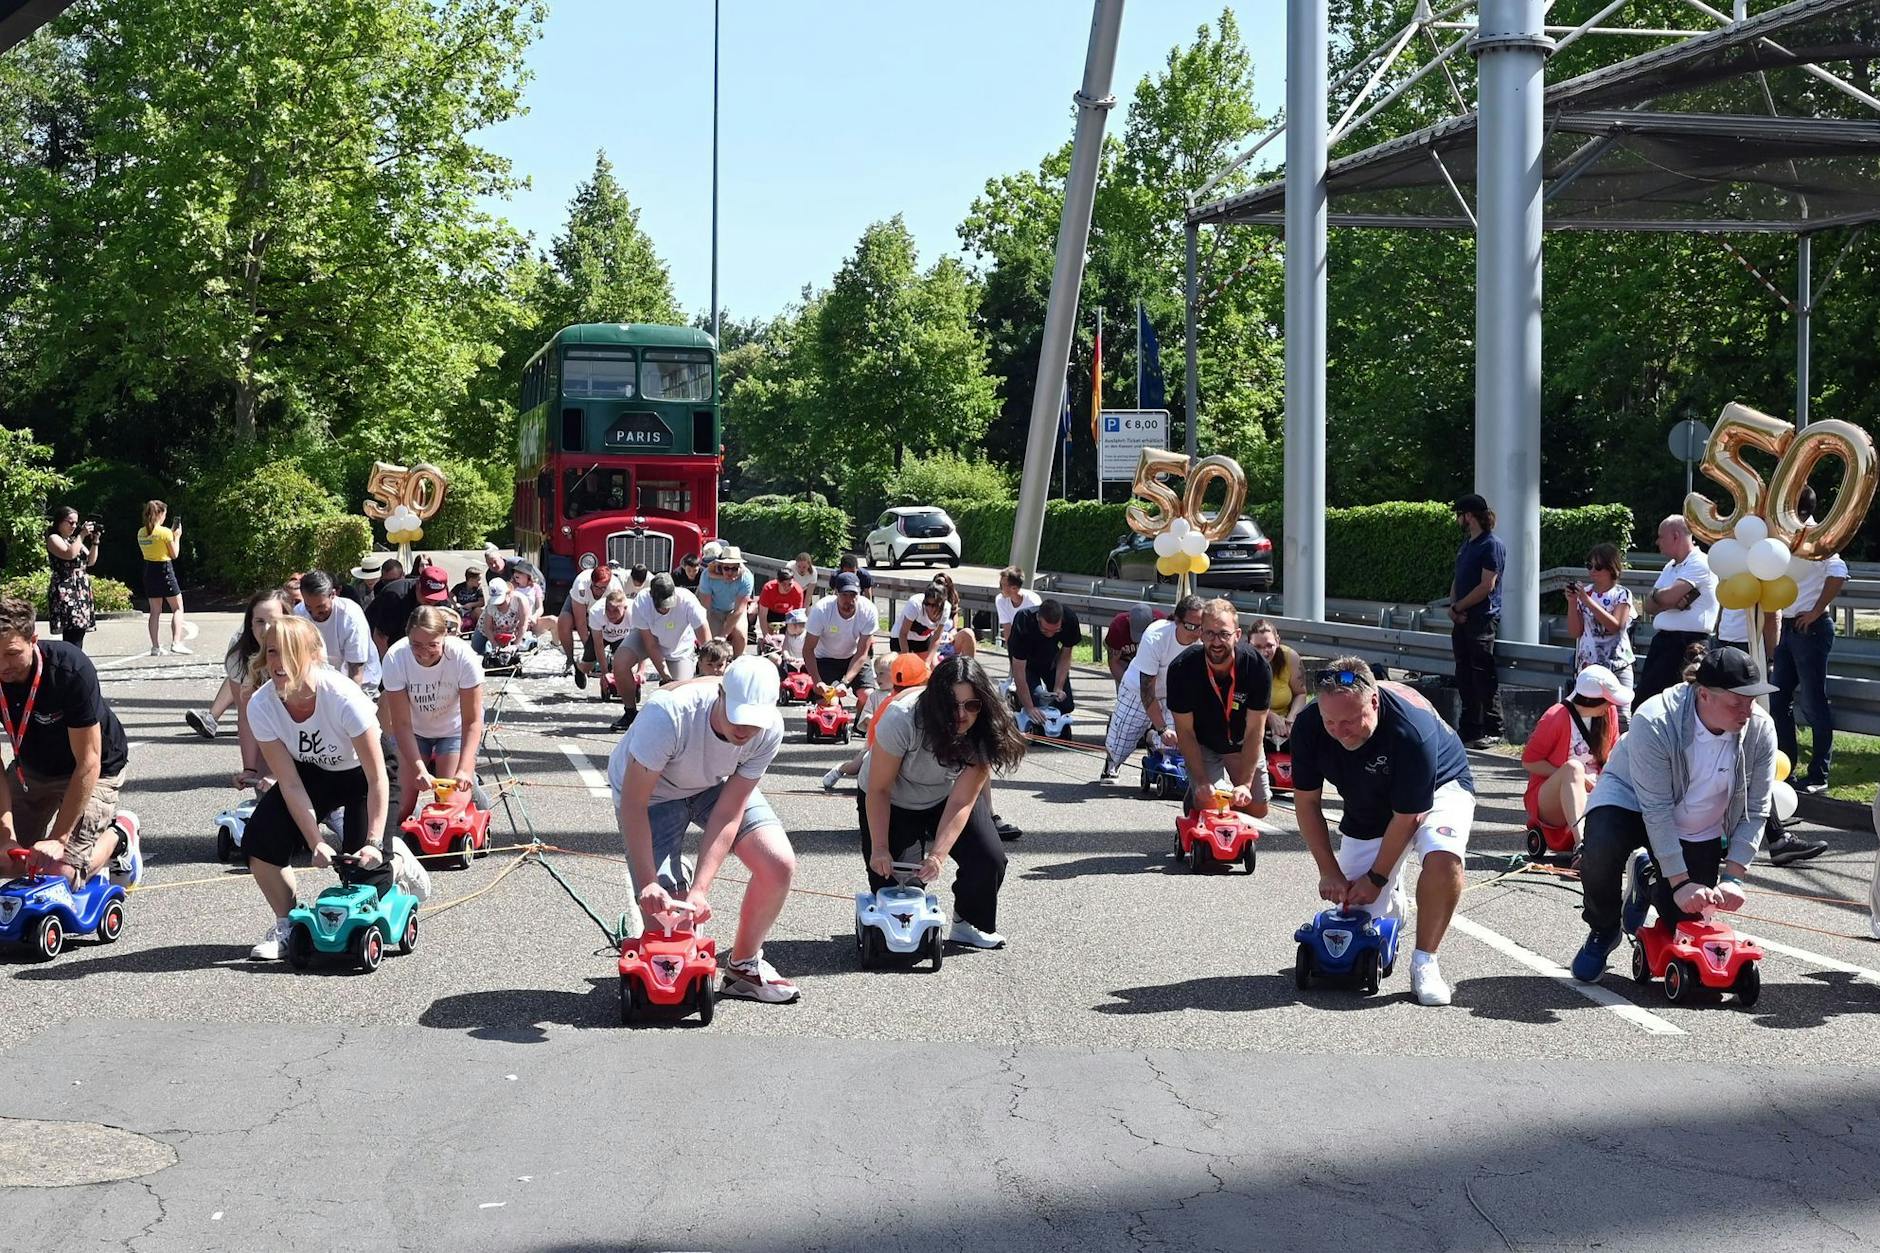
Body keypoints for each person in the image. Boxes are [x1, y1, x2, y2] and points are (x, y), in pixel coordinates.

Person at [1569, 646, 1776, 984]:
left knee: (1683, 917)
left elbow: (1756, 808)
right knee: (1601, 848)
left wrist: (1735, 876)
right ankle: (1603, 929)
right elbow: (1656, 808)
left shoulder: (1760, 729)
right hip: (1632, 798)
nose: (1747, 710)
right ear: (1704, 695)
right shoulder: (1655, 719)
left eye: (1752, 700)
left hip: (1694, 821)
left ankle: (1647, 878)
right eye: (1736, 701)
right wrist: (1681, 881)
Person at [609, 656, 801, 1003]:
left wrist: (700, 889)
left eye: (754, 722)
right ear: (721, 693)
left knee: (778, 864)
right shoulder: (668, 716)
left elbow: (729, 811)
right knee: (669, 928)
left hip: (714, 786)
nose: (743, 731)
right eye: (736, 716)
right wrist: (649, 881)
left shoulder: (769, 730)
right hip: (653, 796)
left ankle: (743, 967)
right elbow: (634, 805)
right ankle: (669, 877)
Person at [1289, 657, 1475, 1007]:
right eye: (1331, 721)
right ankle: (1393, 904)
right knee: (1355, 907)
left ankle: (1425, 962)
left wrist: (1376, 877)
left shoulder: (1411, 730)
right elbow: (1307, 803)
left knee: (1443, 854)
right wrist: (1329, 870)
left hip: (1440, 787)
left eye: (1349, 721)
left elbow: (1410, 818)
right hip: (1368, 795)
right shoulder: (1309, 726)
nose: (1339, 731)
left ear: (1373, 702)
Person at [239, 616, 391, 961]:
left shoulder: (342, 697)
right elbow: (290, 782)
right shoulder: (261, 705)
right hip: (316, 771)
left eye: (289, 653)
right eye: (273, 652)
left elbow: (377, 777)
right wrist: (315, 841)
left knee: (364, 867)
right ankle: (289, 926)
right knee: (260, 839)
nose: (279, 664)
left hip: (365, 772)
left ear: (312, 655)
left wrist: (374, 841)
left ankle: (398, 862)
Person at [861, 655, 1026, 951]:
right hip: (893, 798)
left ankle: (967, 923)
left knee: (988, 859)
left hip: (945, 795)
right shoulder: (902, 718)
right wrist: (881, 848)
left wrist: (937, 855)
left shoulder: (987, 727)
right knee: (903, 889)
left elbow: (963, 801)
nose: (962, 715)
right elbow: (879, 789)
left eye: (971, 705)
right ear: (936, 702)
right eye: (953, 705)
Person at [0, 595, 140, 888]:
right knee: (6, 861)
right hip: (32, 770)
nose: (2, 666)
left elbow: (88, 761)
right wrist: (5, 835)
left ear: (33, 639)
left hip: (95, 768)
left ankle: (121, 834)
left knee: (59, 873)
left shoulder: (69, 669)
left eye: (11, 653)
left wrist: (58, 838)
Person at [380, 606, 485, 828]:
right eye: (416, 645)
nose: (423, 653)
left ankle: (473, 788)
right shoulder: (395, 658)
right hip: (414, 731)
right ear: (407, 637)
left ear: (444, 636)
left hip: (454, 731)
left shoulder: (462, 657)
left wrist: (464, 768)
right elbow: (400, 723)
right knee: (398, 807)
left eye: (432, 645)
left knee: (449, 807)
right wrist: (419, 769)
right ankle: (412, 816)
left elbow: (472, 721)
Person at [1774, 485, 1848, 800]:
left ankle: (1819, 774)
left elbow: (1838, 572)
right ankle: (1786, 769)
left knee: (1813, 703)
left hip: (1810, 628)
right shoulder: (1786, 536)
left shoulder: (1817, 535)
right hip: (1789, 625)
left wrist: (1816, 611)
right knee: (1778, 700)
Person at [1164, 599, 1271, 815]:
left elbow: (1255, 731)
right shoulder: (1181, 669)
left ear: (1238, 635)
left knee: (1257, 808)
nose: (1217, 642)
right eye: (1210, 634)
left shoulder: (1257, 668)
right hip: (1203, 742)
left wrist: (1245, 785)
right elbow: (1185, 732)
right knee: (1210, 805)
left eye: (1224, 634)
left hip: (1241, 741)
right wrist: (1202, 781)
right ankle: (1195, 797)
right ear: (1201, 634)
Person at [1100, 594, 1204, 782]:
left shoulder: (1205, 640)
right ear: (1178, 621)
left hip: (1173, 692)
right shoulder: (1156, 636)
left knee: (1174, 743)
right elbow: (1147, 691)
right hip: (1138, 690)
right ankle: (1111, 763)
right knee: (1120, 745)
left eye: (1201, 626)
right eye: (1191, 626)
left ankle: (1158, 752)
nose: (1197, 633)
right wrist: (1162, 728)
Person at [1521, 665, 1628, 848]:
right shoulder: (1556, 716)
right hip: (1553, 796)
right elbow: (1529, 762)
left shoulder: (1608, 713)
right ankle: (1582, 846)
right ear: (1591, 700)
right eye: (1607, 701)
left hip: (1594, 790)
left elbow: (1611, 754)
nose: (1611, 706)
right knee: (1574, 768)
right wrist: (1576, 777)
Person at [188, 587, 292, 742]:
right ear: (250, 623)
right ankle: (211, 718)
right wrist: (250, 766)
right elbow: (245, 717)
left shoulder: (302, 644)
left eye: (274, 621)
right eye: (260, 622)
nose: (266, 629)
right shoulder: (238, 652)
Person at [1633, 515, 1717, 706]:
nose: (1657, 542)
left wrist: (1663, 598)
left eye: (1661, 536)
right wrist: (1663, 598)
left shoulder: (1700, 562)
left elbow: (1667, 598)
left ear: (1676, 536)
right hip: (1664, 642)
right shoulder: (1670, 567)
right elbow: (1648, 606)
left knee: (1678, 705)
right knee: (1646, 702)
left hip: (1687, 644)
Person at [613, 573, 710, 733]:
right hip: (649, 639)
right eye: (661, 605)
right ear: (652, 596)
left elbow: (705, 638)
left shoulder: (688, 600)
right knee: (620, 662)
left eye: (668, 604)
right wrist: (665, 676)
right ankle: (630, 712)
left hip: (678, 646)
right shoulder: (642, 601)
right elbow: (651, 644)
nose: (665, 608)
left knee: (682, 693)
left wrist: (708, 667)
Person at [1448, 493, 1506, 749]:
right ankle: (1469, 728)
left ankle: (1494, 729)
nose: (1458, 520)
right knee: (1464, 675)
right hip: (1461, 618)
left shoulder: (1490, 544)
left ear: (1469, 516)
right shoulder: (1467, 545)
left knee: (1483, 675)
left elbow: (1487, 585)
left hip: (1481, 619)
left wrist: (1460, 606)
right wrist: (1453, 607)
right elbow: (1457, 579)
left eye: (1460, 515)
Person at [822, 653, 906, 791]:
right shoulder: (874, 696)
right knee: (856, 766)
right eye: (876, 673)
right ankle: (840, 769)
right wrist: (873, 720)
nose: (877, 678)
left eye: (881, 673)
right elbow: (866, 717)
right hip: (875, 742)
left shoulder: (903, 695)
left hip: (897, 741)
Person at [295, 571, 381, 694]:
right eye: (309, 607)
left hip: (361, 682)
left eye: (320, 608)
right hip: (321, 682)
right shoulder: (298, 614)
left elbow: (356, 671)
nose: (314, 614)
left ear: (333, 595)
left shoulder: (350, 616)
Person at [1566, 543, 1636, 692]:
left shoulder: (1622, 594)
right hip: (1588, 667)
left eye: (1598, 567)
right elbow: (1574, 632)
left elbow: (1615, 626)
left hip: (1617, 665)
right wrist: (1572, 602)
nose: (1592, 571)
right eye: (1589, 565)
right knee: (1588, 714)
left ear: (1611, 568)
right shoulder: (1585, 593)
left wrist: (1587, 601)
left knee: (1621, 714)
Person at [1007, 599, 1082, 725]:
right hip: (1026, 662)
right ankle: (1017, 700)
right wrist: (1030, 708)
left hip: (1050, 657)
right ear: (1038, 618)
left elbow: (1065, 655)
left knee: (1065, 705)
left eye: (1056, 631)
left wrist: (1058, 687)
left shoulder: (1070, 619)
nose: (1050, 634)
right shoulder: (1024, 620)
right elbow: (1018, 669)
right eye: (1045, 630)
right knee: (1036, 704)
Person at [804, 572, 880, 693]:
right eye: (844, 595)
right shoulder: (821, 610)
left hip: (854, 657)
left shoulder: (868, 610)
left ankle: (861, 712)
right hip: (825, 658)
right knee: (830, 700)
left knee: (867, 695)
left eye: (853, 595)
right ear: (836, 593)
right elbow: (808, 649)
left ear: (859, 594)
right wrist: (817, 681)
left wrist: (845, 682)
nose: (849, 600)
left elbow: (862, 652)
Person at [135, 499, 189, 656]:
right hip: (164, 569)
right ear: (159, 514)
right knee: (177, 608)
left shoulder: (141, 532)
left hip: (149, 570)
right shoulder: (165, 532)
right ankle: (176, 642)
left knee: (155, 611)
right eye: (164, 514)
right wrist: (177, 536)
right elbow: (174, 554)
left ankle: (155, 646)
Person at [45, 507, 101, 651]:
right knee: (72, 631)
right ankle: (71, 666)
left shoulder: (73, 540)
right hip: (66, 588)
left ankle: (73, 664)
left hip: (80, 588)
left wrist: (95, 542)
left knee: (80, 630)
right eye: (70, 522)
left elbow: (90, 561)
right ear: (59, 522)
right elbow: (69, 554)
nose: (74, 526)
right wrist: (81, 535)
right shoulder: (53, 538)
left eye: (76, 523)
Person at [368, 561, 448, 657]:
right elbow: (380, 637)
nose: (432, 601)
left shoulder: (440, 600)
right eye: (427, 597)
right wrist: (388, 665)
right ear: (418, 584)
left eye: (436, 598)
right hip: (377, 641)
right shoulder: (395, 597)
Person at [1247, 619, 1309, 744]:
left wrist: (1290, 720)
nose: (1264, 652)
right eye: (1257, 647)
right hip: (1250, 725)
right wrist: (1268, 715)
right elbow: (1237, 700)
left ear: (1277, 641)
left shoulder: (1290, 657)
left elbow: (1300, 693)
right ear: (1249, 644)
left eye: (1269, 646)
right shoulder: (1242, 660)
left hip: (1284, 725)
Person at [560, 560, 618, 688]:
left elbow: (618, 621)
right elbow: (580, 622)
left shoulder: (615, 588)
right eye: (597, 587)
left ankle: (611, 661)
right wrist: (590, 652)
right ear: (591, 582)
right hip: (581, 602)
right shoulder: (581, 584)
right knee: (564, 621)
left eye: (603, 588)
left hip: (604, 608)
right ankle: (570, 660)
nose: (599, 591)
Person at [699, 546, 755, 655]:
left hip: (734, 609)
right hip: (714, 610)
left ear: (739, 567)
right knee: (711, 642)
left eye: (734, 568)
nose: (730, 572)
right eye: (726, 568)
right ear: (720, 566)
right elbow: (705, 608)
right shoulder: (706, 576)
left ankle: (738, 662)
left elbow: (739, 610)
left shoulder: (746, 577)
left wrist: (724, 635)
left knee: (741, 636)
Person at [473, 575, 532, 657]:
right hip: (491, 629)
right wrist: (494, 644)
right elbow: (487, 627)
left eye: (501, 602)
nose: (498, 605)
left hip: (512, 629)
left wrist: (515, 645)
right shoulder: (491, 604)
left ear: (509, 594)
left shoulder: (520, 600)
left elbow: (523, 624)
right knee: (476, 650)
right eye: (496, 603)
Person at [1105, 605, 1158, 686]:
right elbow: (1114, 662)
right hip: (1125, 661)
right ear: (1128, 620)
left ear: (1153, 621)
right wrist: (1127, 685)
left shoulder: (1161, 626)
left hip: (1152, 663)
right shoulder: (1118, 626)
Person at [995, 567, 1041, 645]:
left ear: (1014, 588)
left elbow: (1037, 630)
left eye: (1002, 585)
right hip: (1018, 636)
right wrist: (1011, 652)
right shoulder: (1000, 600)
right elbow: (1007, 628)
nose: (999, 588)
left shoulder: (1033, 602)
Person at [756, 566, 805, 633]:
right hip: (770, 613)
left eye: (790, 584)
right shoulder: (768, 588)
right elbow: (762, 614)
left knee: (790, 635)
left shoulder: (798, 591)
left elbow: (797, 615)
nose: (787, 587)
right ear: (778, 582)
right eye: (784, 584)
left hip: (788, 614)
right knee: (769, 638)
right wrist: (765, 634)